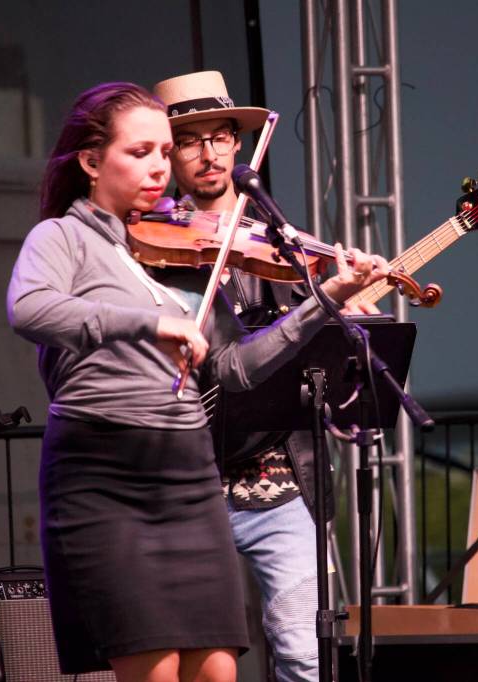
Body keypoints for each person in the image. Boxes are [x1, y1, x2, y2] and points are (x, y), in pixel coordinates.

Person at [6, 81, 389, 682]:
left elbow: (235, 369)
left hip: (189, 476)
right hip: (107, 470)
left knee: (215, 669)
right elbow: (30, 310)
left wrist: (326, 298)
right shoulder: (62, 239)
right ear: (89, 161)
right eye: (141, 152)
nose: (160, 167)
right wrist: (147, 323)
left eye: (164, 152)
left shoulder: (184, 252)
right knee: (154, 668)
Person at [150, 70, 377, 682]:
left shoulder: (284, 245)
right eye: (190, 140)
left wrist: (341, 307)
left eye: (220, 136)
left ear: (237, 143)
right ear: (169, 153)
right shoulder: (148, 246)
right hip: (191, 485)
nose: (209, 153)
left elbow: (322, 354)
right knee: (198, 659)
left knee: (304, 655)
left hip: (282, 485)